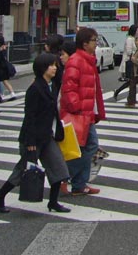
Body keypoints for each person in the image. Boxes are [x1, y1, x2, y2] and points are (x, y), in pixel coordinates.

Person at [0, 52, 71, 215]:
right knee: (23, 171)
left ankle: (53, 202)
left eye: (55, 65)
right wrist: (31, 142)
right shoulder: (35, 89)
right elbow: (30, 117)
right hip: (32, 138)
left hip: (47, 136)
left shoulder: (52, 85)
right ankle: (0, 195)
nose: (55, 68)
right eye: (51, 65)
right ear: (42, 68)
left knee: (58, 168)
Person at [59, 27, 106, 196]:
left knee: (87, 146)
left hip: (86, 113)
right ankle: (66, 177)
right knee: (88, 146)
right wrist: (76, 107)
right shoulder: (76, 61)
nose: (96, 44)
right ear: (85, 43)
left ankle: (78, 184)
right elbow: (69, 88)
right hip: (78, 113)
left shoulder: (88, 60)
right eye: (94, 40)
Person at [112, 24, 138, 101]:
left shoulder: (133, 39)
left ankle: (119, 92)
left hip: (132, 62)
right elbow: (129, 52)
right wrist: (136, 55)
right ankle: (130, 98)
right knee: (132, 81)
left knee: (131, 81)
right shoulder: (129, 39)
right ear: (134, 31)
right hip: (129, 63)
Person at [44, 33, 66, 98]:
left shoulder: (49, 59)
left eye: (47, 44)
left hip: (53, 91)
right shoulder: (63, 58)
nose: (45, 46)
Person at [0, 34, 16, 99]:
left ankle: (11, 93)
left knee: (4, 80)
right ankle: (3, 93)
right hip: (2, 66)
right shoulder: (3, 47)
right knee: (3, 80)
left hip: (1, 67)